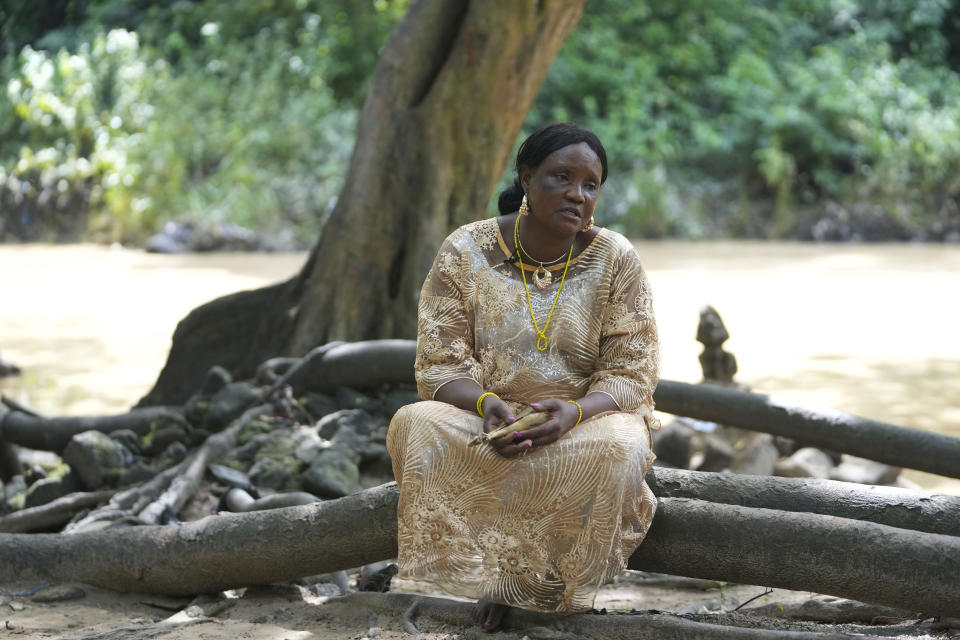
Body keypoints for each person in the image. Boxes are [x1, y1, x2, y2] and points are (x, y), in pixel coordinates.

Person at [387, 122, 660, 632]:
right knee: (416, 423)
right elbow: (438, 364)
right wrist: (488, 403)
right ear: (527, 177)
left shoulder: (616, 258)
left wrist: (573, 412)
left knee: (621, 449)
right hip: (493, 418)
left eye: (590, 184)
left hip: (588, 418)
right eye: (562, 177)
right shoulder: (465, 250)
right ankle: (490, 578)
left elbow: (632, 370)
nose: (577, 194)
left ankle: (541, 588)